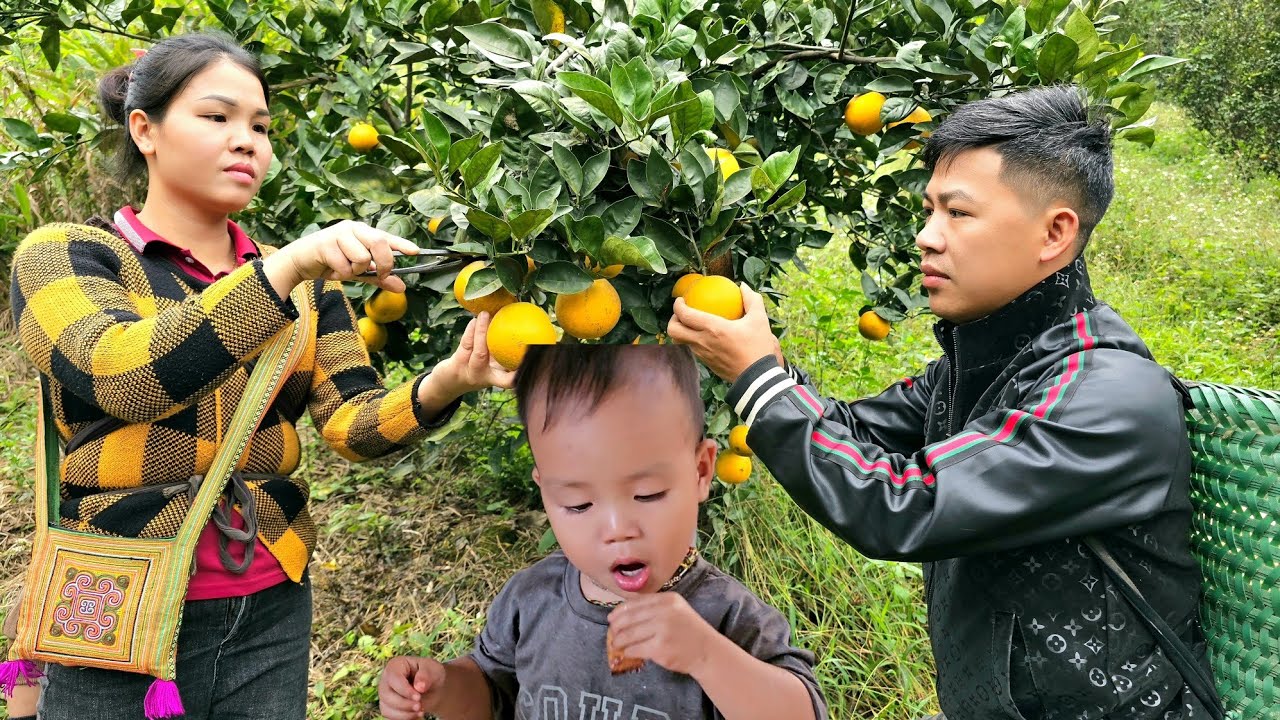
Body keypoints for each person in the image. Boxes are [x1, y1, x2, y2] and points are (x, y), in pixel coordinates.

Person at [6, 32, 512, 719]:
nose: (247, 141)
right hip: (118, 593)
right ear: (144, 130)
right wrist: (281, 270)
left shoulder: (303, 286)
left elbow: (351, 424)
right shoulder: (67, 255)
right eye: (218, 118)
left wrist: (449, 381)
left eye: (262, 126)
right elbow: (123, 373)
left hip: (268, 602)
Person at [667, 85, 1213, 719]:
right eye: (929, 210)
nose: (927, 237)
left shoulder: (1106, 398)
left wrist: (759, 379)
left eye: (958, 212)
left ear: (1055, 233)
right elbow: (850, 433)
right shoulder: (982, 365)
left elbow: (900, 504)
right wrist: (751, 362)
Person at [377, 344, 828, 720]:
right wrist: (441, 688)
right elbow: (493, 693)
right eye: (578, 504)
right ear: (546, 491)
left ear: (701, 471)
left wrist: (707, 656)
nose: (616, 530)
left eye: (648, 494)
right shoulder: (530, 599)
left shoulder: (727, 619)